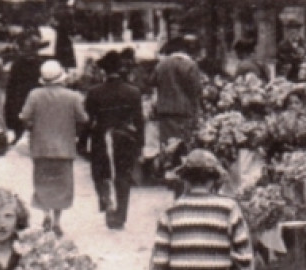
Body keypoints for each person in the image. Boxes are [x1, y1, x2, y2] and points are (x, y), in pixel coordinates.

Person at [19, 61, 88, 236]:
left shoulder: (34, 95)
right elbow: (83, 119)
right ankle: (57, 220)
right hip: (64, 148)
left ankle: (46, 214)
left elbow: (24, 117)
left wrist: (32, 126)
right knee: (62, 186)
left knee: (42, 182)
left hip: (41, 147)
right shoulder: (73, 96)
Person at [85, 51, 146, 230]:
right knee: (123, 175)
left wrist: (83, 142)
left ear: (103, 71)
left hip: (100, 137)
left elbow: (89, 120)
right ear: (121, 69)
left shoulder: (94, 92)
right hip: (125, 137)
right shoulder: (133, 92)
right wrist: (140, 143)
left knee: (101, 174)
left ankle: (108, 204)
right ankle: (120, 215)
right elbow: (139, 121)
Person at [153, 35, 205, 151]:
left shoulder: (161, 65)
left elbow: (152, 82)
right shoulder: (190, 65)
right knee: (184, 147)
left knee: (167, 147)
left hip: (165, 112)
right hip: (184, 112)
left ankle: (166, 167)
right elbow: (196, 90)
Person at [4, 33, 46, 145]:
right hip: (33, 90)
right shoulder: (39, 62)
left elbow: (12, 81)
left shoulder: (18, 62)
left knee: (20, 112)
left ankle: (19, 133)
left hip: (21, 92)